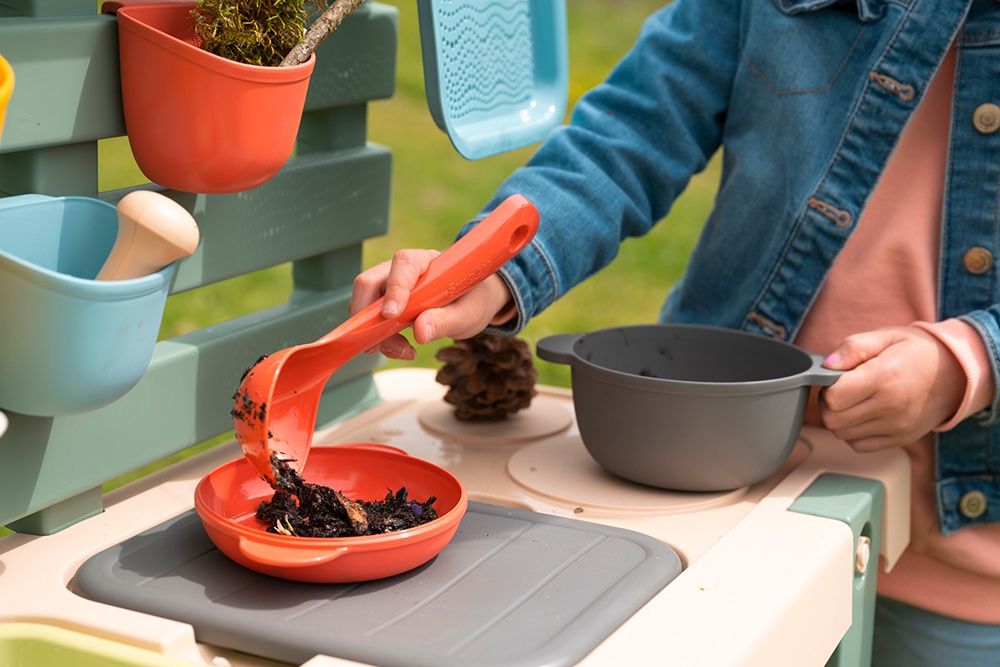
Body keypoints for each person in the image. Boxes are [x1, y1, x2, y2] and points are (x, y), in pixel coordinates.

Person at [351, 1, 1000, 664]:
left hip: (961, 577)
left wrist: (970, 361)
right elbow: (634, 130)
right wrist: (489, 270)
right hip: (724, 516)